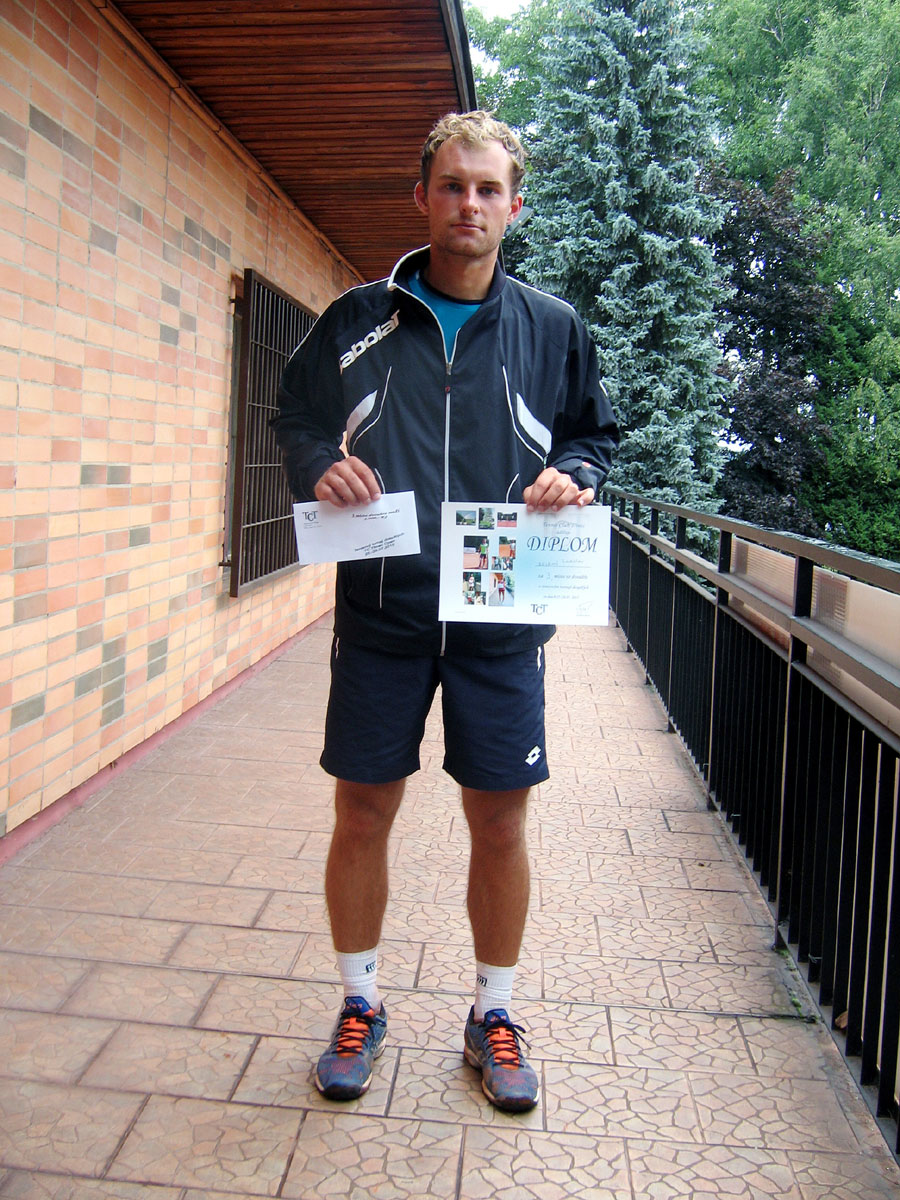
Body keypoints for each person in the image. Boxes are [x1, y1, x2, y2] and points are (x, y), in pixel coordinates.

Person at [273, 111, 618, 1112]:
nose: (471, 203)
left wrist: (576, 474)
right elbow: (294, 416)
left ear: (514, 206)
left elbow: (593, 436)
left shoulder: (553, 328)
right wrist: (316, 462)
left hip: (502, 617)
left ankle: (493, 1014)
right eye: (454, 185)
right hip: (382, 611)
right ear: (422, 196)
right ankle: (360, 1002)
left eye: (489, 189)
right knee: (362, 810)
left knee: (500, 821)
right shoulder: (355, 318)